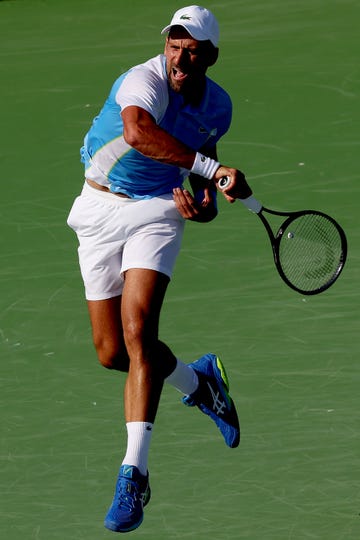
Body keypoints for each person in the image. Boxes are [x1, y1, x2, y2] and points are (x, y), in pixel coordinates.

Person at [67, 5, 253, 533]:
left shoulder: (218, 105)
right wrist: (214, 172)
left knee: (138, 331)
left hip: (156, 208)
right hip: (98, 207)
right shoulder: (142, 80)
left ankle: (134, 473)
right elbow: (137, 132)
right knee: (111, 353)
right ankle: (199, 382)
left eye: (192, 49)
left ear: (210, 56)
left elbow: (202, 172)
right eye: (174, 44)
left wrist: (206, 200)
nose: (180, 56)